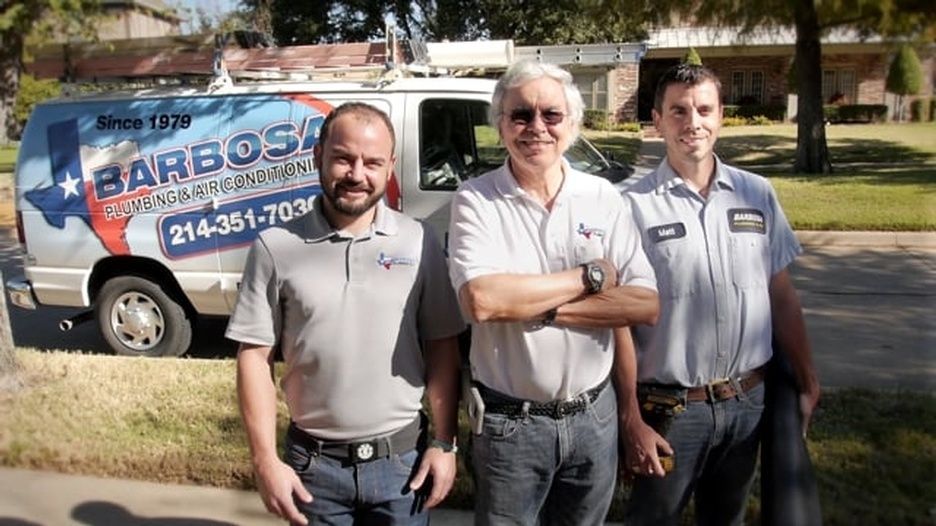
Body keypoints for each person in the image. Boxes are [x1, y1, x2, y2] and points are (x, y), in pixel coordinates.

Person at [227, 102, 465, 525]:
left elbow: (443, 347)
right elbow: (254, 357)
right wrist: (264, 460)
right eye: (343, 158)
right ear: (318, 155)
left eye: (373, 162)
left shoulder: (418, 241)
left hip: (403, 468)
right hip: (313, 471)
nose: (357, 174)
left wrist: (445, 444)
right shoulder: (274, 247)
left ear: (390, 166)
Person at [447, 59, 660, 525]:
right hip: (509, 425)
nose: (536, 128)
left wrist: (533, 308)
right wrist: (590, 277)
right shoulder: (475, 200)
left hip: (594, 417)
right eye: (520, 115)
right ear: (500, 125)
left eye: (551, 115)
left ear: (573, 124)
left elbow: (644, 304)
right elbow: (482, 300)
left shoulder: (603, 197)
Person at [623, 64, 822, 525]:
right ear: (657, 120)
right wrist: (629, 416)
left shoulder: (756, 193)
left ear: (721, 116)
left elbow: (782, 294)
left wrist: (809, 380)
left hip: (747, 403)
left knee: (726, 519)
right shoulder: (629, 204)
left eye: (704, 109)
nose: (693, 121)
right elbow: (617, 322)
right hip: (671, 411)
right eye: (678, 110)